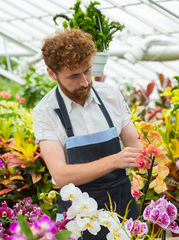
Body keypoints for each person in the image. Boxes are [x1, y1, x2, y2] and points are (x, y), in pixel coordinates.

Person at [32, 29, 143, 239]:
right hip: (78, 218)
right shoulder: (45, 112)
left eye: (88, 71)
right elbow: (61, 175)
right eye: (74, 76)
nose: (85, 82)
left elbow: (136, 148)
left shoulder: (110, 95)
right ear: (51, 74)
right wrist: (114, 160)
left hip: (123, 208)